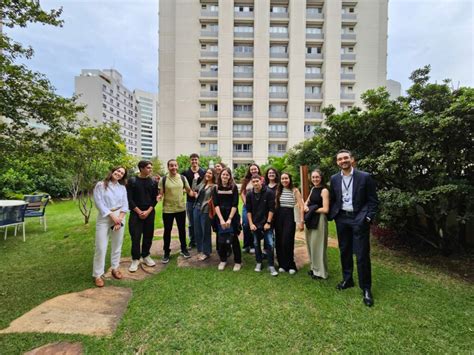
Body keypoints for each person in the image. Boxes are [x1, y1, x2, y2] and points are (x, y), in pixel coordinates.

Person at [329, 149, 379, 307]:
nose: (343, 161)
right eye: (340, 159)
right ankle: (348, 279)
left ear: (351, 159)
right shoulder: (334, 178)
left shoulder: (365, 177)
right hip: (342, 218)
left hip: (359, 218)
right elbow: (333, 198)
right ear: (337, 163)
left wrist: (369, 217)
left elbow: (373, 200)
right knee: (344, 250)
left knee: (362, 254)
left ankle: (366, 288)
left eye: (345, 158)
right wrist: (334, 214)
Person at [92, 166, 129, 287]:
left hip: (119, 216)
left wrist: (120, 219)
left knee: (117, 245)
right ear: (113, 171)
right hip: (105, 217)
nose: (119, 173)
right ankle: (98, 274)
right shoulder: (101, 185)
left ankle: (115, 268)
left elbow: (125, 204)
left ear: (123, 176)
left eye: (122, 173)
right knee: (101, 247)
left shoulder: (122, 188)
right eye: (118, 171)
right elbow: (99, 202)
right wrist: (112, 216)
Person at [158, 159, 196, 263]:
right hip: (168, 210)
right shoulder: (164, 179)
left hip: (180, 209)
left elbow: (189, 191)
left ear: (177, 166)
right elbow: (161, 193)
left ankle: (183, 249)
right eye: (171, 166)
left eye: (175, 165)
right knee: (167, 231)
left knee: (182, 230)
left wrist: (196, 194)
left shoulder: (183, 178)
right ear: (168, 167)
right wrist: (159, 196)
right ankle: (166, 252)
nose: (173, 167)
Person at [127, 160, 159, 272]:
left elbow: (155, 199)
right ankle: (135, 259)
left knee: (148, 235)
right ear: (141, 168)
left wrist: (148, 211)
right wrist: (139, 211)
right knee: (135, 236)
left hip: (149, 212)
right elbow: (129, 199)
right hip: (136, 213)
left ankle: (146, 256)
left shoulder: (153, 182)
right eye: (148, 168)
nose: (150, 170)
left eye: (151, 167)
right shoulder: (132, 181)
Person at [246, 174, 278, 277]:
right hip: (255, 223)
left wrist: (268, 222)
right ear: (252, 183)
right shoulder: (249, 194)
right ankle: (259, 262)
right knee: (256, 244)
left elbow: (271, 209)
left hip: (267, 223)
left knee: (269, 243)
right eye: (253, 181)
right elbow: (249, 210)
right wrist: (251, 223)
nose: (255, 183)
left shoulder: (269, 192)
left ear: (261, 181)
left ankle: (271, 264)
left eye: (257, 181)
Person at [274, 173, 304, 275]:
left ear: (290, 179)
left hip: (290, 217)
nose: (284, 180)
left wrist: (301, 221)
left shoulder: (295, 190)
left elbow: (301, 206)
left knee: (287, 241)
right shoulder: (278, 190)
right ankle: (282, 265)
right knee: (279, 241)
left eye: (286, 178)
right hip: (278, 217)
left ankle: (291, 265)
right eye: (282, 178)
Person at [213, 168, 242, 271]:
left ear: (230, 177)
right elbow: (215, 205)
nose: (225, 176)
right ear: (220, 176)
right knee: (221, 240)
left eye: (227, 175)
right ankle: (223, 260)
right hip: (220, 216)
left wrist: (229, 219)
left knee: (233, 239)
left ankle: (238, 262)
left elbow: (235, 204)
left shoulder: (233, 188)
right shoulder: (216, 188)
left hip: (232, 216)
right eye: (223, 174)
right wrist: (221, 219)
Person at [304, 169, 330, 280]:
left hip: (319, 219)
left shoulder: (324, 190)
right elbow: (307, 202)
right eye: (313, 177)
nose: (315, 179)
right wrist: (306, 206)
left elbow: (326, 209)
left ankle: (321, 272)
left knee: (318, 246)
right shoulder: (313, 189)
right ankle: (314, 268)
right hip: (310, 218)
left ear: (321, 177)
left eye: (317, 177)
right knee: (310, 244)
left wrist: (311, 209)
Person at [181, 153, 205, 249]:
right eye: (192, 160)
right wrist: (189, 191)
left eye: (196, 159)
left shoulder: (203, 172)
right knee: (191, 223)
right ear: (190, 161)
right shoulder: (185, 173)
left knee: (201, 221)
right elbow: (182, 187)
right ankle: (192, 241)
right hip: (190, 201)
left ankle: (202, 240)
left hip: (202, 201)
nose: (194, 161)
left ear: (198, 160)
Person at [193, 168, 215, 260]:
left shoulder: (214, 186)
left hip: (205, 210)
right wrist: (195, 179)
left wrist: (206, 203)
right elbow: (194, 189)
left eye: (210, 173)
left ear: (213, 175)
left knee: (205, 231)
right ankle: (200, 250)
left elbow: (213, 199)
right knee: (197, 230)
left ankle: (206, 252)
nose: (208, 174)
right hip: (196, 208)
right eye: (207, 172)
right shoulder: (202, 183)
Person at [240, 164, 262, 253]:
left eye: (255, 169)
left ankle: (253, 245)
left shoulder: (262, 179)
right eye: (251, 169)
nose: (253, 171)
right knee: (245, 224)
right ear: (249, 171)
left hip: (257, 207)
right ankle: (246, 245)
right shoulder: (246, 181)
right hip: (247, 206)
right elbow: (242, 192)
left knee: (254, 225)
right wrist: (246, 202)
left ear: (258, 170)